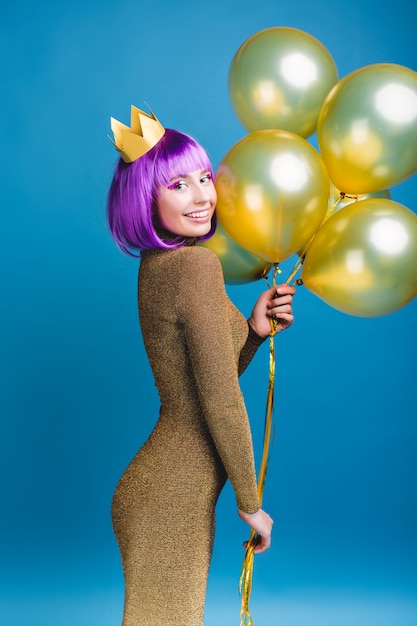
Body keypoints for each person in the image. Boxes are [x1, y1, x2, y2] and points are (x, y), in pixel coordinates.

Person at [106, 105, 295, 626]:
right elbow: (217, 397)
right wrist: (249, 500)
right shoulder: (195, 266)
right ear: (146, 197)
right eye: (177, 184)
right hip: (170, 495)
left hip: (164, 489)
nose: (202, 195)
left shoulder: (160, 266)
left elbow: (201, 383)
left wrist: (253, 334)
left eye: (205, 178)